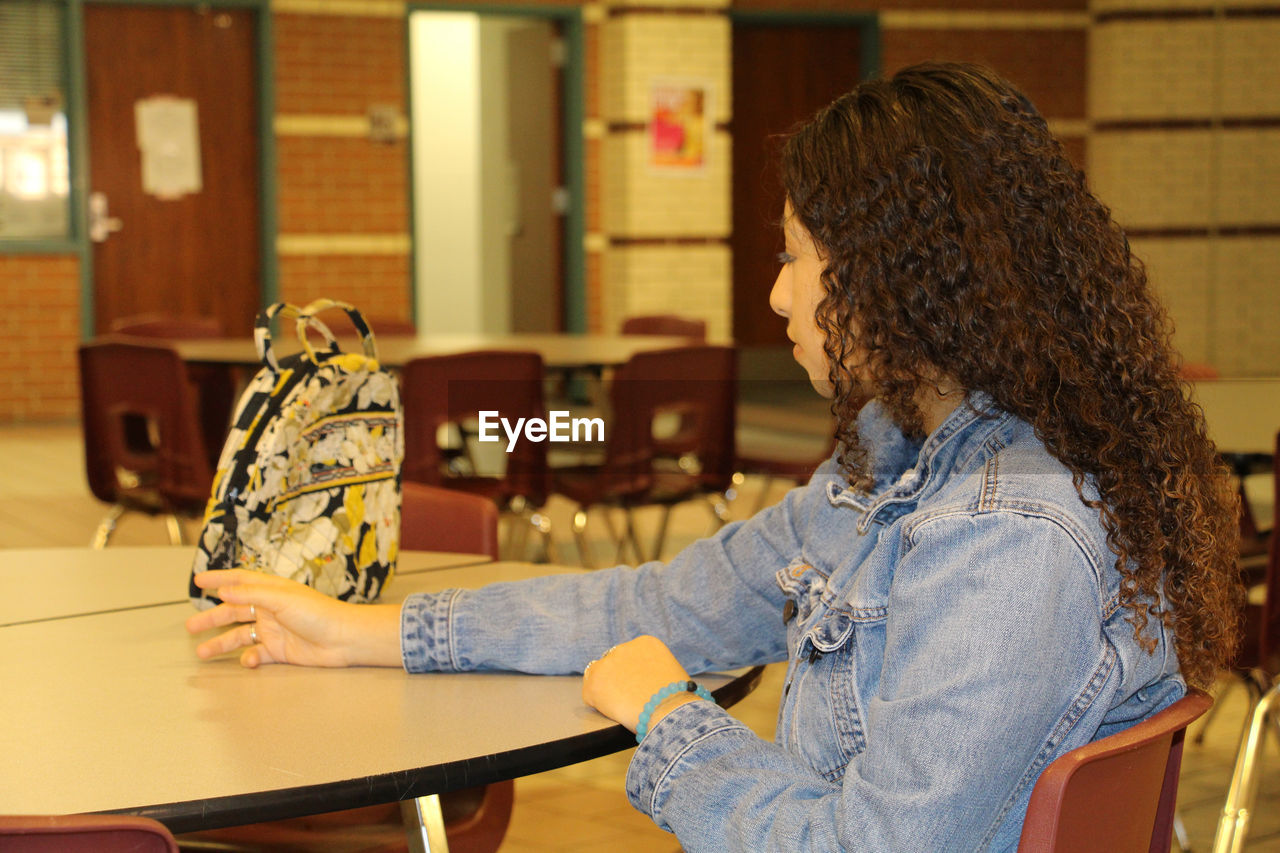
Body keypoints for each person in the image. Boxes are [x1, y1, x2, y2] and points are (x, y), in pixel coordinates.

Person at [187, 62, 1243, 850]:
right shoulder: (905, 456)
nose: (778, 296)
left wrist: (667, 719)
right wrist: (367, 633)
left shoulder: (1002, 537)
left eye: (794, 258)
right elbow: (673, 602)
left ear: (901, 278)